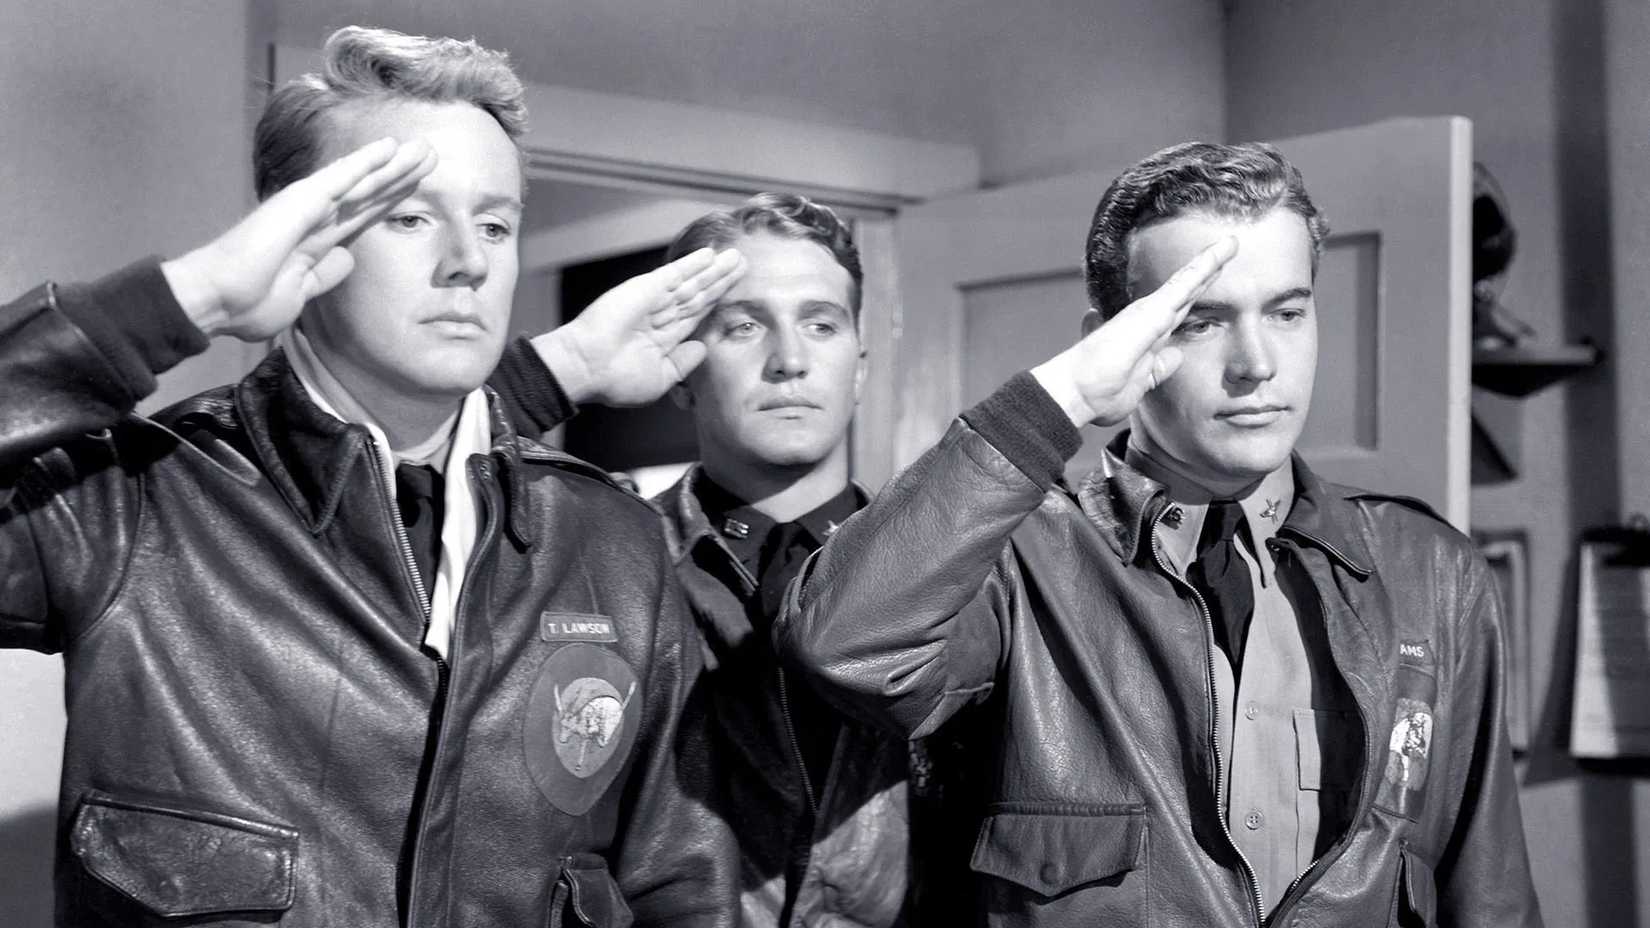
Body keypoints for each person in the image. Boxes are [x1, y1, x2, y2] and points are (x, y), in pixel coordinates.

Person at [0, 26, 747, 927]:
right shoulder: (137, 505)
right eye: (410, 216)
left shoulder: (609, 540)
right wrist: (191, 294)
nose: (470, 259)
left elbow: (678, 885)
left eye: (497, 223)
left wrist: (547, 378)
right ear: (297, 233)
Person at [775, 142, 1541, 926]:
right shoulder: (1020, 558)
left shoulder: (1427, 571)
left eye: (1287, 311)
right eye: (1202, 321)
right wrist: (1060, 395)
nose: (1257, 364)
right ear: (1115, 337)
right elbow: (845, 643)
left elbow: (1489, 892)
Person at [495, 194, 929, 928]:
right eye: (744, 326)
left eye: (820, 325)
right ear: (681, 369)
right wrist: (552, 374)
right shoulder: (595, 557)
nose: (789, 361)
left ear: (858, 368)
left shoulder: (948, 570)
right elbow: (401, 478)